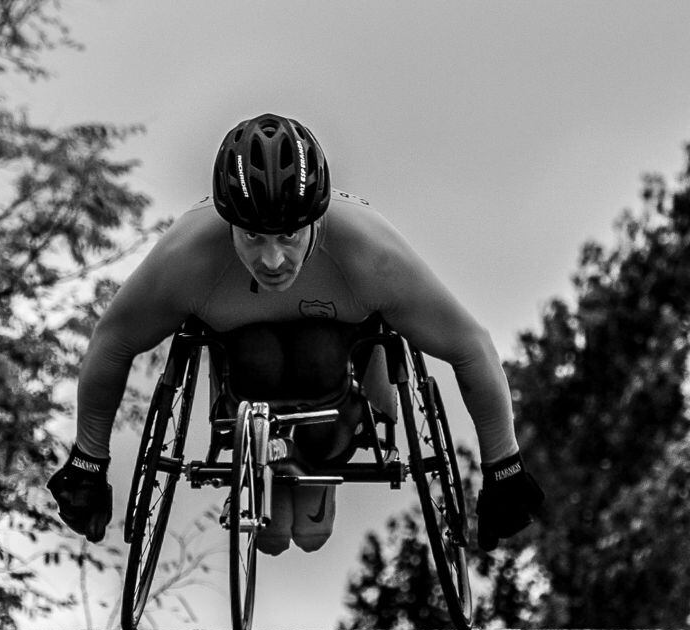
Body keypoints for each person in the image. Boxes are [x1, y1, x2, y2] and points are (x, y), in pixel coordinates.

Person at [47, 113, 542, 555]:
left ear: (316, 218)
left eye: (289, 235)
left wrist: (505, 469)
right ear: (227, 221)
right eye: (252, 236)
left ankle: (312, 460)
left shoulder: (370, 253)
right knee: (259, 362)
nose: (272, 259)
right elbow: (113, 342)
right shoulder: (188, 256)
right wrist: (87, 462)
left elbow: (469, 345)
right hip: (246, 384)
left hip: (336, 380)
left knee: (316, 359)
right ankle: (264, 455)